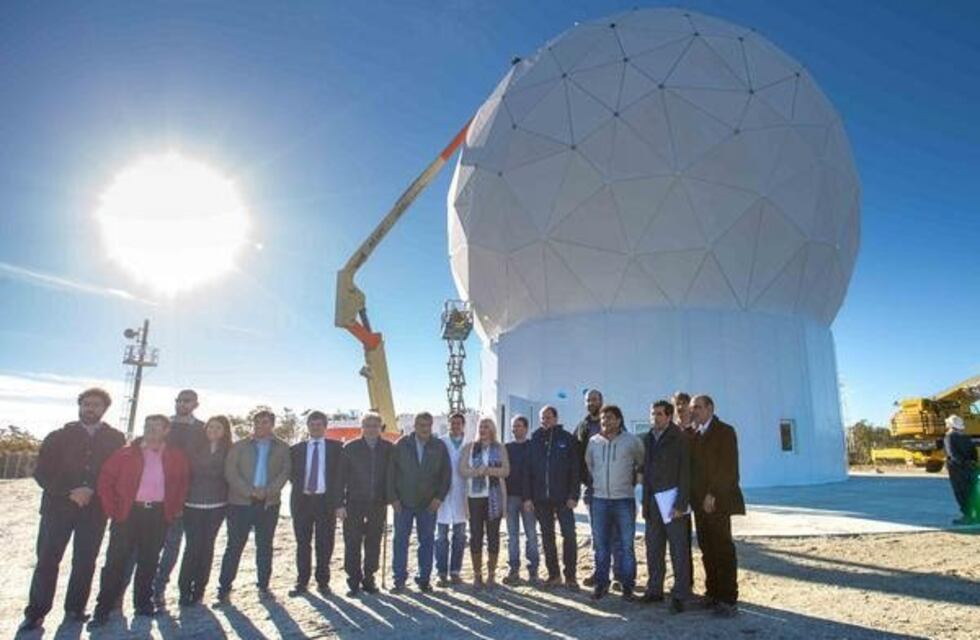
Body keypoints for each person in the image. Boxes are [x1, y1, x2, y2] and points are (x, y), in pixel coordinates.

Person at [19, 388, 125, 632]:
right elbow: (42, 471)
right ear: (80, 406)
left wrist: (91, 491)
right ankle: (36, 612)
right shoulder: (59, 435)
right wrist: (71, 490)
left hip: (94, 509)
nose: (90, 408)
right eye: (86, 404)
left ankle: (75, 609)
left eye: (96, 405)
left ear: (104, 409)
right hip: (57, 508)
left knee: (85, 560)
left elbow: (117, 473)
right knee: (47, 560)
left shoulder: (115, 439)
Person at [90, 415, 190, 627]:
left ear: (166, 430)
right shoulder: (125, 453)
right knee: (115, 562)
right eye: (147, 426)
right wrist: (112, 510)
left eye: (156, 427)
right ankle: (103, 607)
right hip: (128, 514)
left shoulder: (175, 456)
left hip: (157, 514)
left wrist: (174, 508)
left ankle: (143, 604)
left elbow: (182, 482)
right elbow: (105, 481)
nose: (151, 430)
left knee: (149, 560)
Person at [214, 409, 291, 605]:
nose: (260, 426)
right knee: (234, 546)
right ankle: (224, 589)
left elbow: (284, 472)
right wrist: (249, 491)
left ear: (272, 424)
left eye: (265, 422)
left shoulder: (282, 447)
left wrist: (269, 491)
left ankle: (263, 586)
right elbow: (230, 472)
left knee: (264, 547)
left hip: (268, 504)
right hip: (240, 503)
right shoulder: (239, 446)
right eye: (257, 422)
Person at [690, 394, 745, 617]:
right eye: (693, 408)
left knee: (723, 549)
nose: (694, 411)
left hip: (718, 501)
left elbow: (728, 468)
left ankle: (728, 599)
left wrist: (712, 493)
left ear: (711, 408)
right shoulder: (694, 434)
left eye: (699, 407)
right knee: (707, 549)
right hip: (699, 504)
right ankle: (712, 593)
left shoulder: (725, 431)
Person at [151, 389, 206, 607]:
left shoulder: (201, 429)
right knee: (145, 546)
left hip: (183, 495)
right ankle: (127, 591)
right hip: (153, 493)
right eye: (179, 400)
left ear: (195, 404)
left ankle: (159, 588)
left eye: (187, 401)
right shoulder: (163, 425)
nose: (182, 404)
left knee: (172, 545)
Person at [584, 405, 644, 601]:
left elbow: (640, 463)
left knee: (626, 545)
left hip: (624, 500)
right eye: (602, 419)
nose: (605, 422)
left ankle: (627, 585)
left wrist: (630, 482)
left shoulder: (632, 441)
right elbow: (590, 466)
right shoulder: (593, 442)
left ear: (619, 420)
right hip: (600, 500)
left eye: (609, 418)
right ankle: (602, 584)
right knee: (601, 545)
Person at [387, 412, 451, 593]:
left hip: (428, 504)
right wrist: (393, 499)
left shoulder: (438, 446)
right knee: (400, 541)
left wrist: (439, 498)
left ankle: (424, 579)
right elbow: (391, 474)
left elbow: (446, 475)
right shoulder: (401, 444)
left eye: (428, 425)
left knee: (427, 541)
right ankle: (399, 580)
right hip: (403, 503)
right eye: (421, 425)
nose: (425, 429)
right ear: (414, 426)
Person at [641, 401, 692, 612]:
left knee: (678, 550)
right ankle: (655, 590)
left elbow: (686, 473)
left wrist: (681, 503)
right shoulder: (647, 439)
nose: (655, 418)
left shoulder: (680, 438)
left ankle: (680, 594)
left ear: (669, 416)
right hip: (653, 502)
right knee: (653, 549)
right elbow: (645, 473)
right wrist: (645, 504)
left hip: (673, 502)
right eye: (653, 414)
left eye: (660, 414)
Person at [523, 406, 580, 590]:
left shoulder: (567, 439)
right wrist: (528, 497)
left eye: (548, 417)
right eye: (542, 418)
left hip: (564, 498)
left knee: (569, 535)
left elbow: (575, 470)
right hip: (541, 499)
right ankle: (554, 575)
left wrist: (574, 495)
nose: (545, 421)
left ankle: (570, 576)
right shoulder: (535, 439)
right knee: (547, 537)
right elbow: (528, 472)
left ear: (556, 418)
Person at [177, 415, 232, 606]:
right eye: (210, 427)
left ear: (225, 431)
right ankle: (184, 589)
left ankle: (199, 589)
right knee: (192, 547)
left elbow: (229, 474)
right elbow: (186, 472)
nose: (213, 431)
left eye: (218, 428)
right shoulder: (194, 448)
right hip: (192, 504)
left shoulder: (229, 450)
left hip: (217, 505)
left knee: (207, 547)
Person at [289, 411, 344, 596]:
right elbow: (292, 476)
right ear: (308, 426)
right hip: (302, 502)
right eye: (312, 425)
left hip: (326, 502)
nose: (315, 428)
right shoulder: (296, 450)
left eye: (319, 425)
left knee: (325, 543)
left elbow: (340, 478)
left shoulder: (337, 448)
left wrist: (339, 503)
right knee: (302, 543)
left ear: (325, 426)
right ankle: (301, 582)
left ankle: (323, 582)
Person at [340, 412, 393, 596]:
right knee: (352, 541)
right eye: (368, 425)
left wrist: (391, 498)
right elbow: (340, 478)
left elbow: (392, 477)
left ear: (380, 428)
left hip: (378, 503)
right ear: (362, 427)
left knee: (373, 542)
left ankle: (369, 578)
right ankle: (353, 580)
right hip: (353, 502)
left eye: (375, 425)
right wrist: (340, 503)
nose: (371, 428)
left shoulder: (388, 448)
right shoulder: (350, 447)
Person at [574, 389, 621, 589]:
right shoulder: (582, 426)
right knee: (597, 535)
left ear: (601, 401)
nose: (591, 402)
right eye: (588, 400)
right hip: (592, 489)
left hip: (614, 489)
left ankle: (618, 575)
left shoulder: (615, 424)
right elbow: (576, 457)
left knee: (616, 534)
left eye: (595, 399)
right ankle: (600, 572)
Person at [459, 417, 511, 588]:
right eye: (481, 426)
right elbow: (462, 470)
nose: (483, 429)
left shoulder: (500, 448)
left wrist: (488, 470)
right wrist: (476, 472)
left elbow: (505, 471)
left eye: (486, 427)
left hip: (494, 497)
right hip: (474, 498)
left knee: (493, 536)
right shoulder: (470, 447)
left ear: (492, 430)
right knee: (476, 536)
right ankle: (477, 574)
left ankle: (491, 574)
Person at [503, 415, 539, 585]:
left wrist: (530, 498)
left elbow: (534, 475)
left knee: (531, 535)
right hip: (510, 498)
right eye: (513, 426)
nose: (515, 429)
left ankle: (533, 570)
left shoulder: (532, 447)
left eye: (518, 426)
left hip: (528, 499)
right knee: (512, 536)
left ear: (526, 428)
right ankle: (514, 569)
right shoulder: (506, 448)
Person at [435, 412, 468, 587]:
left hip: (462, 495)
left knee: (460, 536)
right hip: (443, 495)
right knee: (440, 537)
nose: (455, 426)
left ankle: (455, 571)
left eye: (458, 423)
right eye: (452, 423)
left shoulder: (469, 445)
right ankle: (441, 572)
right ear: (449, 424)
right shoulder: (441, 443)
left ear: (463, 425)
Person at [672, 390, 695, 589]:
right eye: (677, 403)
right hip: (680, 492)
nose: (680, 407)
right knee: (682, 540)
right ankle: (686, 583)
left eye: (684, 403)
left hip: (698, 489)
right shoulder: (673, 431)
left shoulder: (696, 430)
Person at [944, 415, 978, 525]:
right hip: (970, 468)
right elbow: (974, 453)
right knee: (972, 492)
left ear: (949, 425)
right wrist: (972, 463)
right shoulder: (966, 437)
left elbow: (952, 454)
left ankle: (967, 517)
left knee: (961, 493)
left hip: (957, 469)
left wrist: (962, 463)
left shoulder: (949, 437)